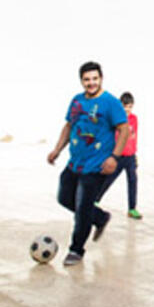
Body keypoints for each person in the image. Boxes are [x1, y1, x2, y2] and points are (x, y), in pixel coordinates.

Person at [46, 61, 130, 266]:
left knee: (83, 208)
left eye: (94, 78)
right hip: (75, 163)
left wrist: (114, 157)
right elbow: (68, 126)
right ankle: (100, 218)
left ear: (101, 78)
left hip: (96, 166)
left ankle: (76, 250)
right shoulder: (77, 101)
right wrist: (57, 150)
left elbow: (125, 130)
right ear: (81, 81)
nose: (91, 83)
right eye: (86, 79)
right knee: (64, 197)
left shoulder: (110, 102)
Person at [100, 91, 141, 219]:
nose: (127, 109)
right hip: (118, 156)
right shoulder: (116, 119)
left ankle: (132, 209)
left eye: (130, 106)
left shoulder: (134, 119)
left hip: (130, 156)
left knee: (133, 181)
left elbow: (134, 137)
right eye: (125, 106)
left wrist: (135, 154)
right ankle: (95, 199)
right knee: (108, 179)